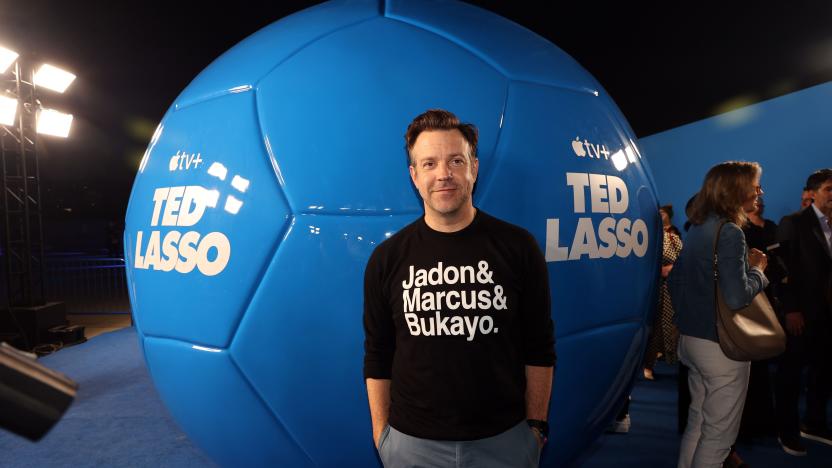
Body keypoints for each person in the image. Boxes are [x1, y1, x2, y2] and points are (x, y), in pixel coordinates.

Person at [363, 109, 556, 467]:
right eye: (429, 164)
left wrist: (535, 429)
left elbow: (539, 346)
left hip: (505, 443)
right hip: (410, 446)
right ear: (414, 176)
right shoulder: (387, 259)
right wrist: (382, 435)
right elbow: (378, 353)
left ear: (474, 168)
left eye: (455, 160)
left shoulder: (518, 247)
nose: (443, 175)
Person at [669, 161, 769, 468]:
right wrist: (759, 271)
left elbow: (674, 280)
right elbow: (737, 296)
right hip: (721, 347)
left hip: (691, 341)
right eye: (755, 186)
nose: (759, 192)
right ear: (738, 189)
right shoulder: (730, 232)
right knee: (718, 437)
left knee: (697, 423)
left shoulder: (698, 227)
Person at [774, 169, 832, 456]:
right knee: (791, 375)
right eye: (829, 189)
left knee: (823, 373)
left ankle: (815, 424)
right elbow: (781, 268)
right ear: (813, 193)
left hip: (828, 316)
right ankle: (787, 432)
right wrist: (791, 309)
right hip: (801, 315)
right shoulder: (793, 223)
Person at [643, 205, 682, 380]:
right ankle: (647, 365)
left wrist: (673, 268)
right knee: (654, 328)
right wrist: (661, 270)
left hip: (672, 289)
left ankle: (667, 357)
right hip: (655, 288)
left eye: (663, 212)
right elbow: (646, 262)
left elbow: (682, 260)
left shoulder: (674, 237)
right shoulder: (650, 237)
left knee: (670, 326)